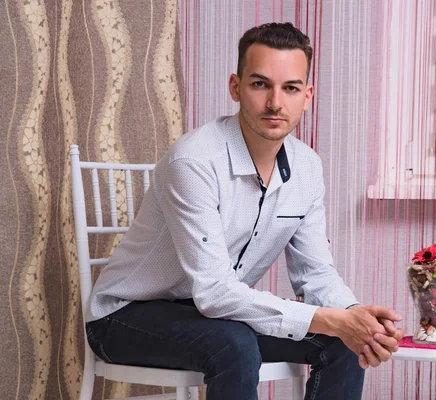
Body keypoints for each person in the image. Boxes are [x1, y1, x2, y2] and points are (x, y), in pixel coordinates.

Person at [85, 22, 404, 400]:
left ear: (308, 95)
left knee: (344, 343)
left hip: (214, 314)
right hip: (125, 317)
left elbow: (316, 272)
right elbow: (216, 292)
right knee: (234, 344)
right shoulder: (194, 162)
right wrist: (332, 320)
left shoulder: (307, 168)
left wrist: (355, 317)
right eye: (260, 84)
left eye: (290, 88)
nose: (275, 103)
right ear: (235, 87)